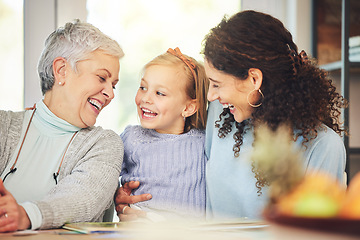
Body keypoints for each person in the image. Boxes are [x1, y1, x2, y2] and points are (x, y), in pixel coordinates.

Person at [115, 10, 347, 221]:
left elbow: (317, 232)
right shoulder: (222, 116)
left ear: (254, 80)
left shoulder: (323, 146)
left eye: (216, 84)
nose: (211, 96)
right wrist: (128, 199)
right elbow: (179, 169)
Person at [0, 19, 124, 232]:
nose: (110, 94)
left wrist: (27, 215)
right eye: (102, 78)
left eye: (113, 85)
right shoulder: (4, 126)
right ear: (61, 70)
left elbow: (82, 198)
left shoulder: (104, 144)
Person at [119, 47, 208, 221]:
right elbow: (104, 178)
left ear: (188, 107)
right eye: (143, 87)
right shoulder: (131, 138)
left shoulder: (204, 143)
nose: (146, 98)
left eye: (160, 93)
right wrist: (118, 193)